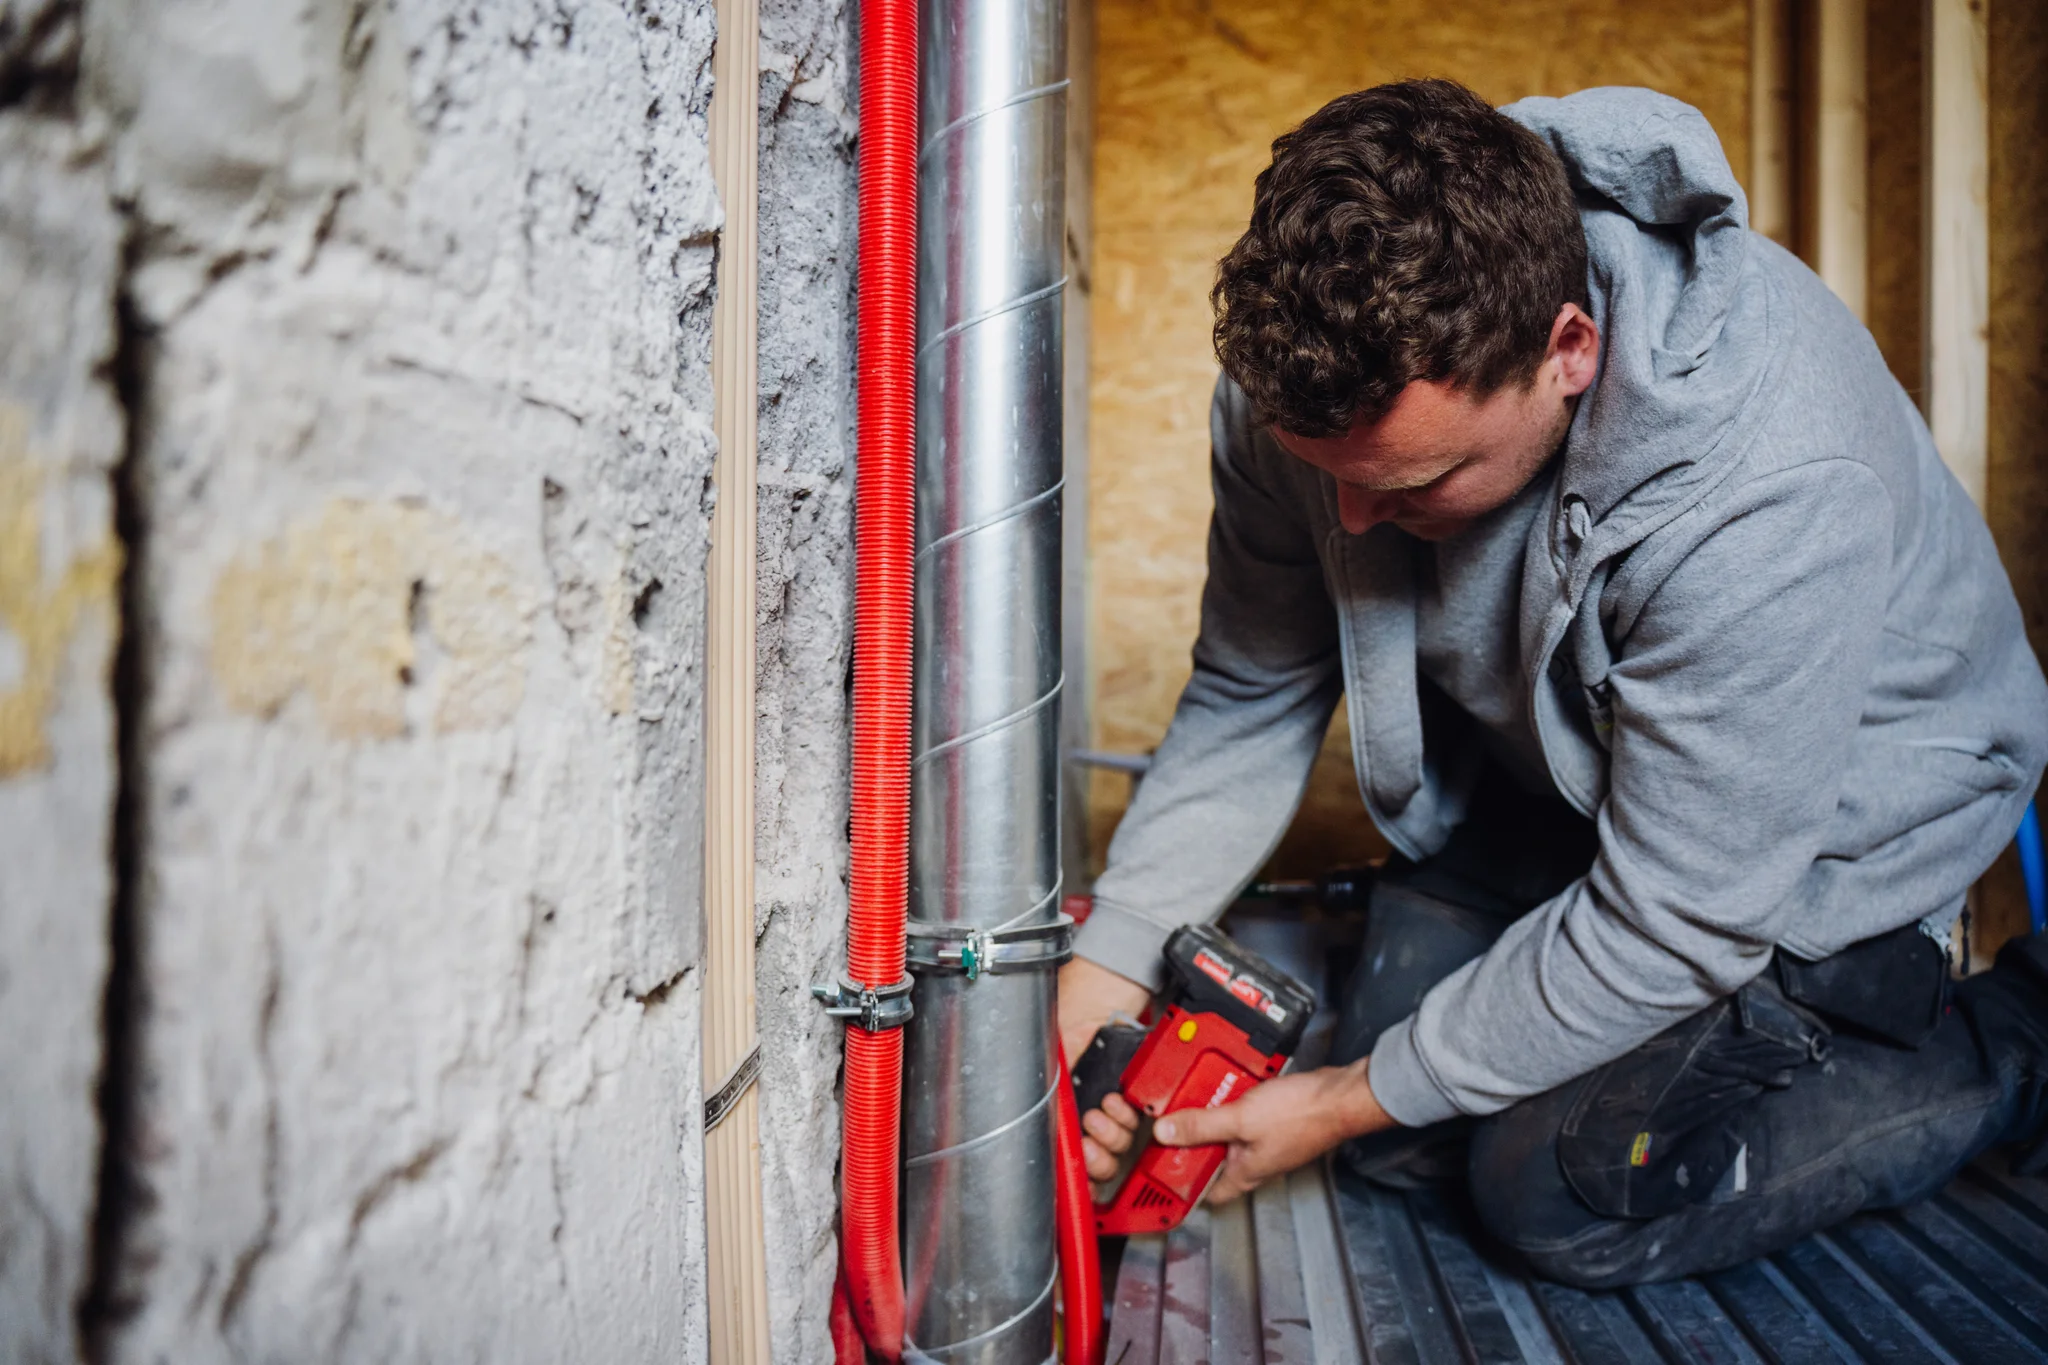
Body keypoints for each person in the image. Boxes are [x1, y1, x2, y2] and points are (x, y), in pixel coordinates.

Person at [1060, 78, 2048, 1288]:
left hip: (1829, 827)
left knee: (1554, 1193)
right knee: (1405, 1143)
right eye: (1333, 480)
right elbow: (1249, 691)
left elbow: (1683, 910)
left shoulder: (1764, 477)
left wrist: (1330, 1104)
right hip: (1570, 768)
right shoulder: (1305, 405)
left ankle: (2010, 1040)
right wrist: (1098, 973)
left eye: (1414, 483)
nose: (1355, 522)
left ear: (1565, 351)